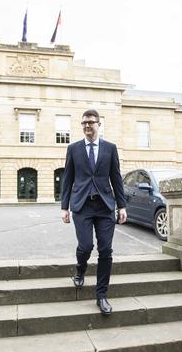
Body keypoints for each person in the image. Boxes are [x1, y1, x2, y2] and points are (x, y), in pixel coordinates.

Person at [61, 109, 127, 315]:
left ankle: (102, 295)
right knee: (86, 245)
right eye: (84, 123)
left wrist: (122, 205)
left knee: (106, 250)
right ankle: (80, 269)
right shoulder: (73, 149)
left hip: (105, 205)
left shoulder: (110, 148)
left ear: (99, 124)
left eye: (91, 122)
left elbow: (116, 178)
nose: (87, 126)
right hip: (82, 205)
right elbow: (68, 179)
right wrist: (64, 207)